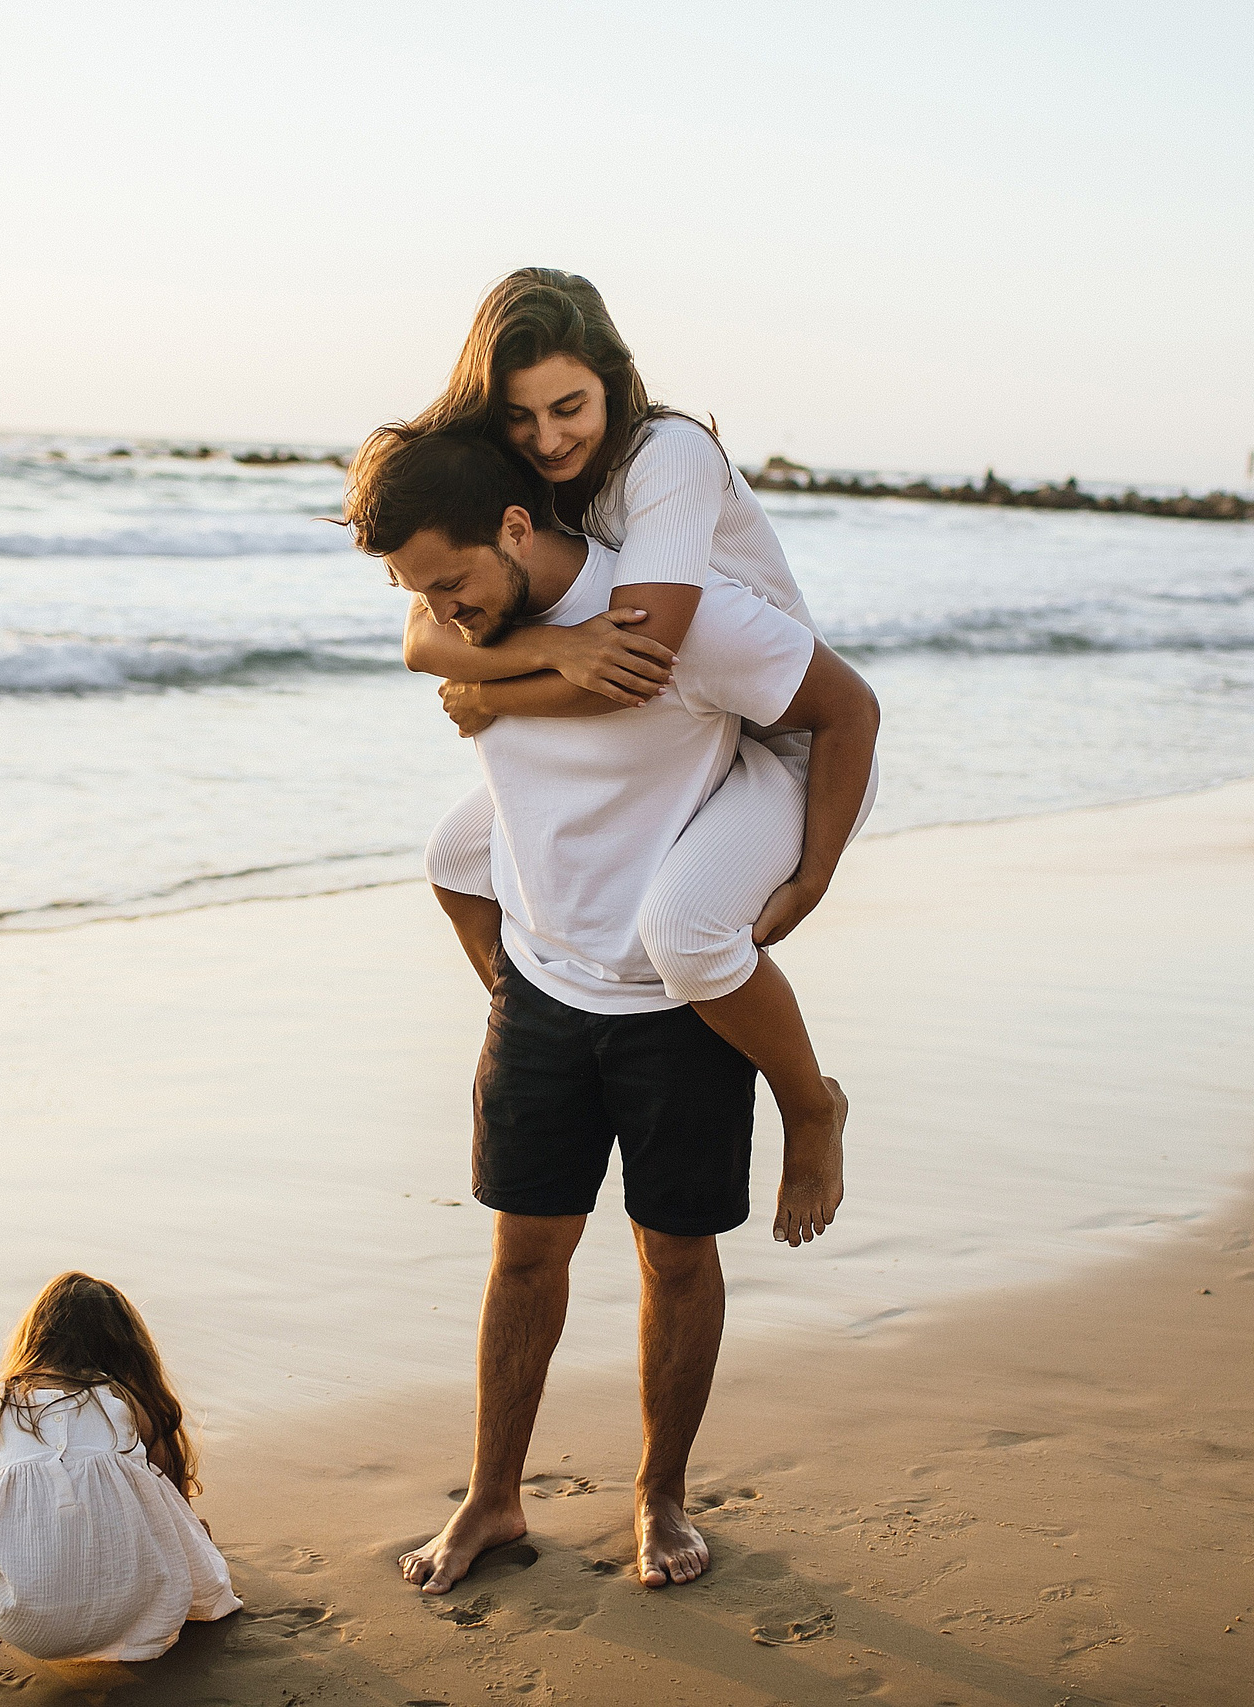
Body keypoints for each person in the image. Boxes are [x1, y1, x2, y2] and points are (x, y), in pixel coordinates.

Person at [342, 431, 880, 1594]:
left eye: (452, 580)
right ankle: (491, 1499)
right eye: (417, 591)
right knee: (523, 1255)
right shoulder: (485, 627)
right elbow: (426, 650)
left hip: (673, 1007)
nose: (440, 610)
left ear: (517, 529)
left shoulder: (679, 621)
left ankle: (660, 1497)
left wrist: (808, 874)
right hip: (541, 987)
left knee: (674, 1259)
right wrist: (510, 988)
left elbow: (844, 713)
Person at [393, 268, 878, 1249]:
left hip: (778, 740)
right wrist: (533, 649)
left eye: (569, 406)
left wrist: (490, 692)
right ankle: (537, 1021)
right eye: (520, 416)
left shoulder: (669, 458)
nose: (547, 438)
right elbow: (423, 632)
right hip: (677, 727)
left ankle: (809, 1104)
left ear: (613, 379)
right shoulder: (520, 477)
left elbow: (635, 663)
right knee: (454, 859)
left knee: (685, 931)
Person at [0, 1272, 241, 1669]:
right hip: (141, 1606)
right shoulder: (128, 1403)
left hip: (29, 1622)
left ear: (36, 1337)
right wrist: (193, 1535)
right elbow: (168, 1493)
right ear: (128, 1346)